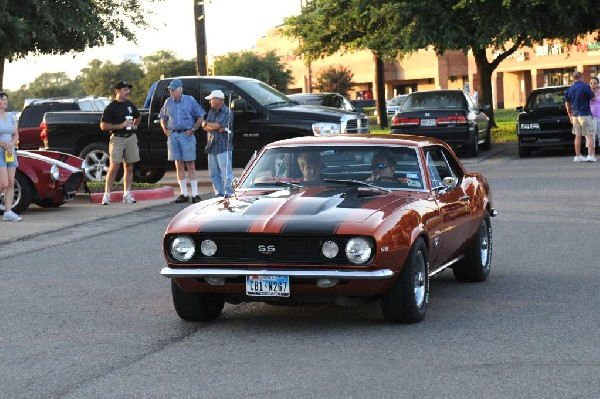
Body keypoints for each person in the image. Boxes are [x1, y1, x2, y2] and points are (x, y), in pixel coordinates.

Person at [159, 79, 206, 204]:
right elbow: (162, 117)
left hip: (187, 135)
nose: (171, 91)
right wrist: (165, 129)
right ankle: (183, 193)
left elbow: (200, 116)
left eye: (173, 89)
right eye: (170, 89)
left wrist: (194, 129)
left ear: (180, 89)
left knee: (190, 164)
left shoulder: (190, 100)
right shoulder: (168, 102)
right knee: (178, 164)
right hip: (173, 135)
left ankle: (195, 194)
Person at [99, 81, 141, 205]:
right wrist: (120, 125)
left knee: (129, 166)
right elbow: (103, 125)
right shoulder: (111, 107)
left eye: (128, 89)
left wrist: (134, 125)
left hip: (131, 137)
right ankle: (106, 195)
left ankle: (127, 194)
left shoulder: (130, 105)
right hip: (117, 138)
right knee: (114, 166)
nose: (127, 92)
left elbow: (138, 117)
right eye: (124, 90)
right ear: (117, 91)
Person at [202, 90, 234, 198]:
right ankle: (219, 194)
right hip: (211, 147)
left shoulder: (227, 112)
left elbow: (215, 125)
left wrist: (208, 124)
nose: (210, 101)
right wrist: (211, 125)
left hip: (223, 146)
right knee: (214, 174)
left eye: (211, 99)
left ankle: (228, 194)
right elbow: (206, 127)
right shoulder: (212, 111)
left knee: (226, 174)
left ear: (218, 100)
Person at [565, 71, 596, 162]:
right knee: (589, 135)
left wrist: (570, 115)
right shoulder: (585, 86)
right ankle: (590, 155)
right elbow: (593, 98)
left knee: (577, 135)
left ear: (573, 78)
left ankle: (578, 156)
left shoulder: (569, 89)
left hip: (574, 115)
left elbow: (567, 104)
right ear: (581, 77)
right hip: (585, 114)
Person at [0, 92, 22, 221]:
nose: (6, 102)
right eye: (3, 99)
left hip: (10, 152)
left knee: (10, 183)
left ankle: (8, 212)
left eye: (6, 100)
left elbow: (16, 135)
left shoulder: (10, 117)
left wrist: (11, 144)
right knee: (3, 183)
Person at [590, 77, 600, 157]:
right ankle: (592, 154)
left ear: (598, 84)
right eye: (591, 83)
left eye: (595, 83)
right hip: (591, 117)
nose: (593, 84)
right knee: (592, 136)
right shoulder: (587, 92)